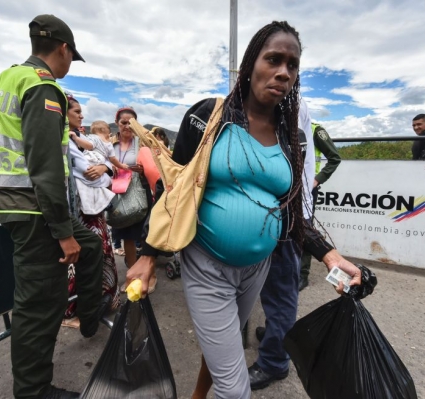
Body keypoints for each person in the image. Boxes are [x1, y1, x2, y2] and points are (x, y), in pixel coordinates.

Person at [127, 21, 361, 399]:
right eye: (274, 59)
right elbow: (173, 190)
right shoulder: (208, 116)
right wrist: (148, 255)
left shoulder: (292, 134)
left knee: (223, 350)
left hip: (256, 270)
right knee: (235, 390)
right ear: (252, 64)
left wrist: (331, 256)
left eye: (292, 64)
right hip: (207, 266)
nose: (283, 72)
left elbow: (291, 213)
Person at [0, 15, 102, 399]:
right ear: (63, 49)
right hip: (37, 212)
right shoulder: (43, 87)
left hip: (18, 206)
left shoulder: (6, 79)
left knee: (92, 247)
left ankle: (89, 317)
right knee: (39, 306)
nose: (70, 65)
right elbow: (46, 166)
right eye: (72, 57)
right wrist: (63, 233)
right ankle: (34, 391)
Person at [247, 97, 316, 391]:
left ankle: (275, 362)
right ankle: (277, 335)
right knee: (272, 288)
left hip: (287, 214)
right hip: (280, 213)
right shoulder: (289, 105)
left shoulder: (289, 107)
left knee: (281, 293)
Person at [63, 96, 120, 330]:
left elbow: (110, 165)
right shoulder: (63, 140)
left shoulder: (85, 139)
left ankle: (105, 300)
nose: (81, 115)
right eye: (76, 111)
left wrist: (105, 168)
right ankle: (77, 312)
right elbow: (85, 172)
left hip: (94, 212)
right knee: (80, 261)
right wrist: (103, 172)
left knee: (101, 253)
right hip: (75, 213)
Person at [112, 106, 156, 291]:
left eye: (131, 123)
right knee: (126, 237)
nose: (127, 126)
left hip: (141, 193)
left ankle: (150, 275)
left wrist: (143, 170)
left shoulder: (143, 144)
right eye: (123, 123)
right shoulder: (111, 145)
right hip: (119, 194)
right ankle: (132, 275)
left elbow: (155, 169)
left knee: (146, 235)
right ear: (117, 123)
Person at [299, 121, 341, 291]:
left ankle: (302, 275)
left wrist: (318, 179)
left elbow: (334, 158)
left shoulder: (315, 129)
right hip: (286, 188)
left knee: (305, 228)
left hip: (307, 190)